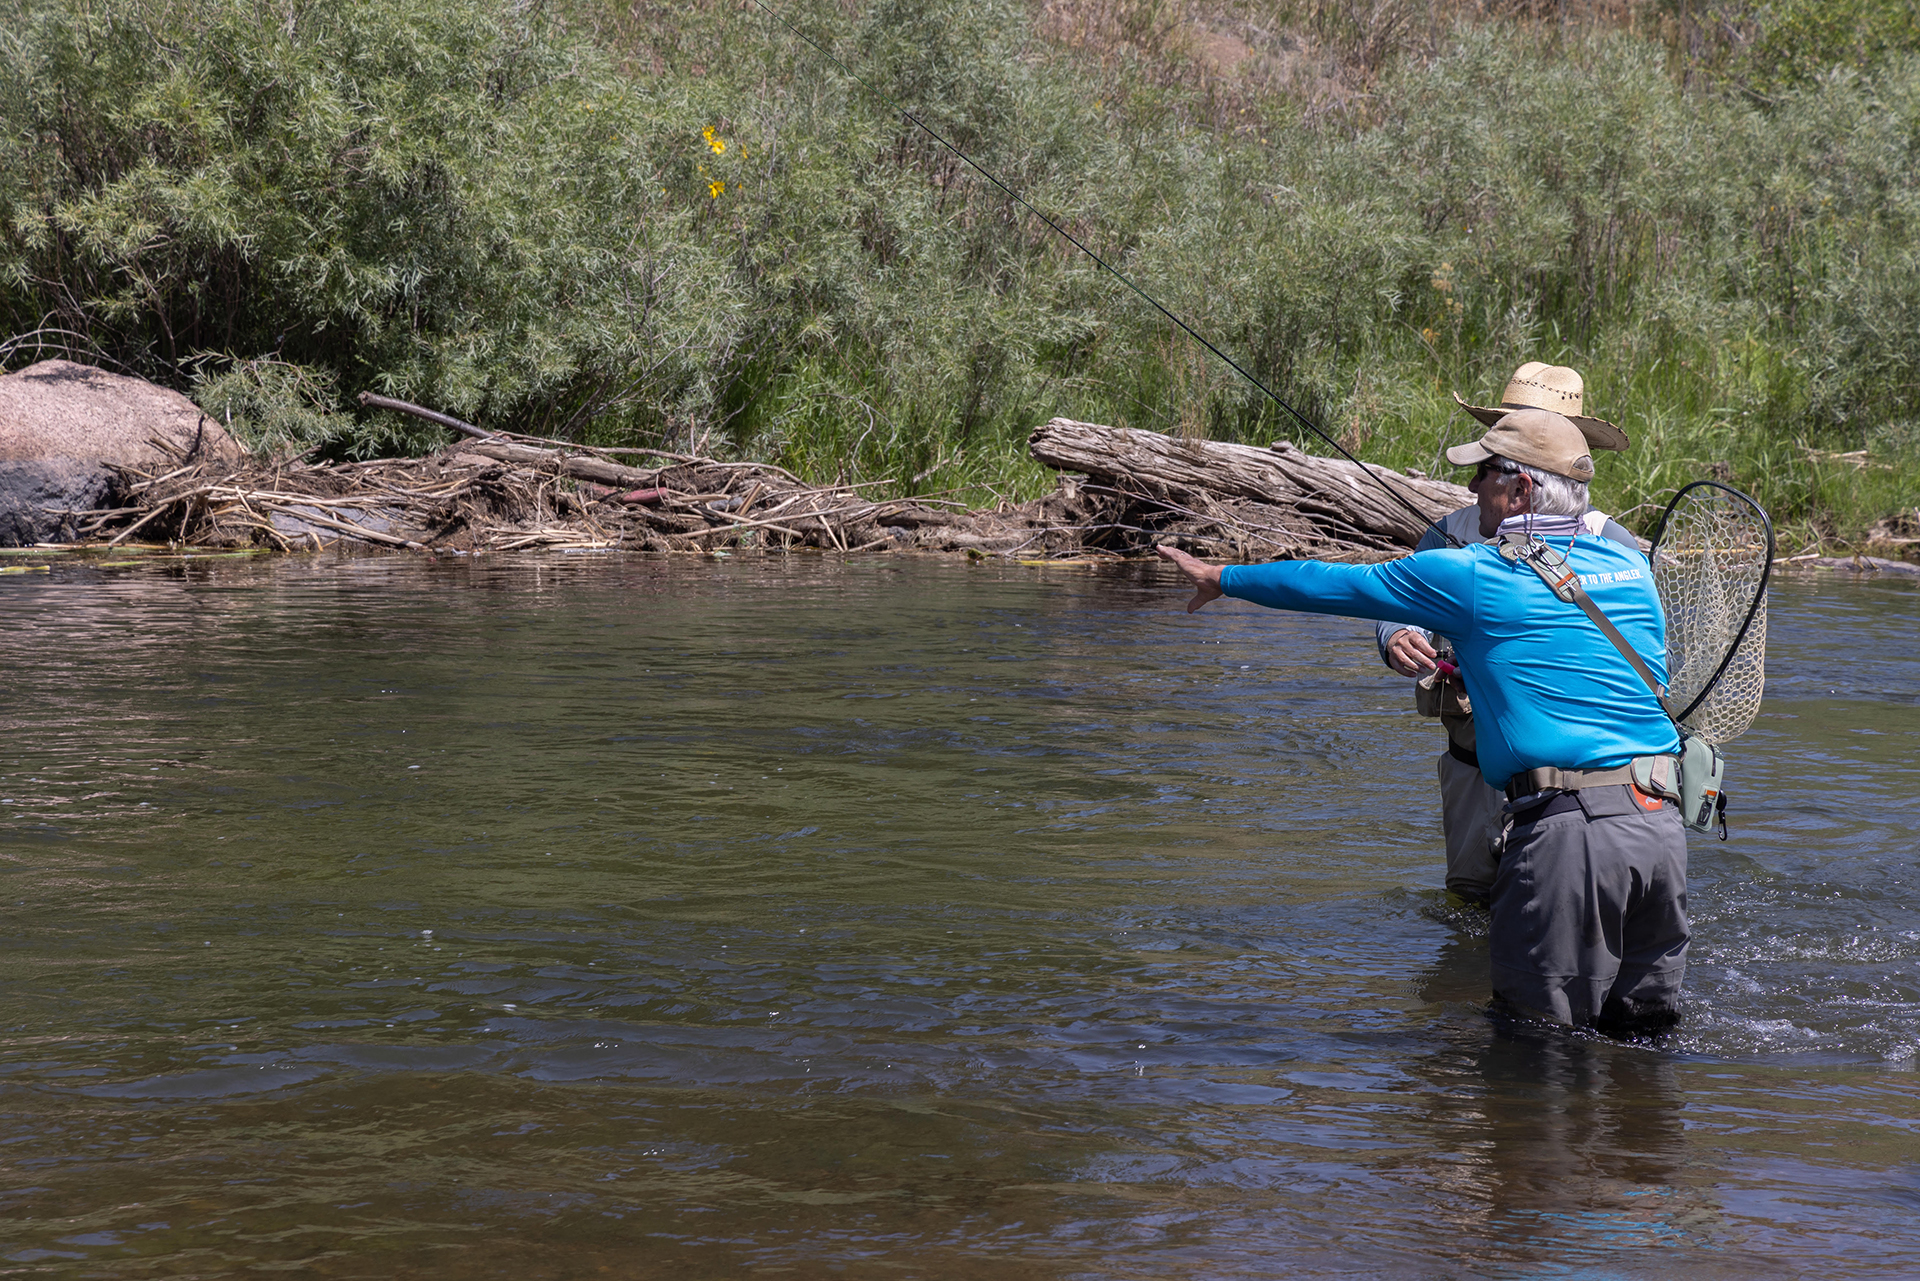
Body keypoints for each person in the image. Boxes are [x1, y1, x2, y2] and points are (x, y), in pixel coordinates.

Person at [1158, 408, 1688, 1032]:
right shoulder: (1631, 569)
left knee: (1536, 1047)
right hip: (1660, 829)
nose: (1471, 488)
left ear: (1520, 489)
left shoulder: (1478, 573)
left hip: (1571, 836)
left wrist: (1221, 577)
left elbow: (1334, 585)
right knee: (1644, 1038)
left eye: (1485, 474)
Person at [1380, 364, 1637, 908]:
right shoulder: (1452, 530)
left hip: (1576, 771)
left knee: (1556, 904)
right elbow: (1395, 598)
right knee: (1471, 900)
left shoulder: (1611, 541)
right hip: (1472, 759)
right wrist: (1396, 633)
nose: (1473, 483)